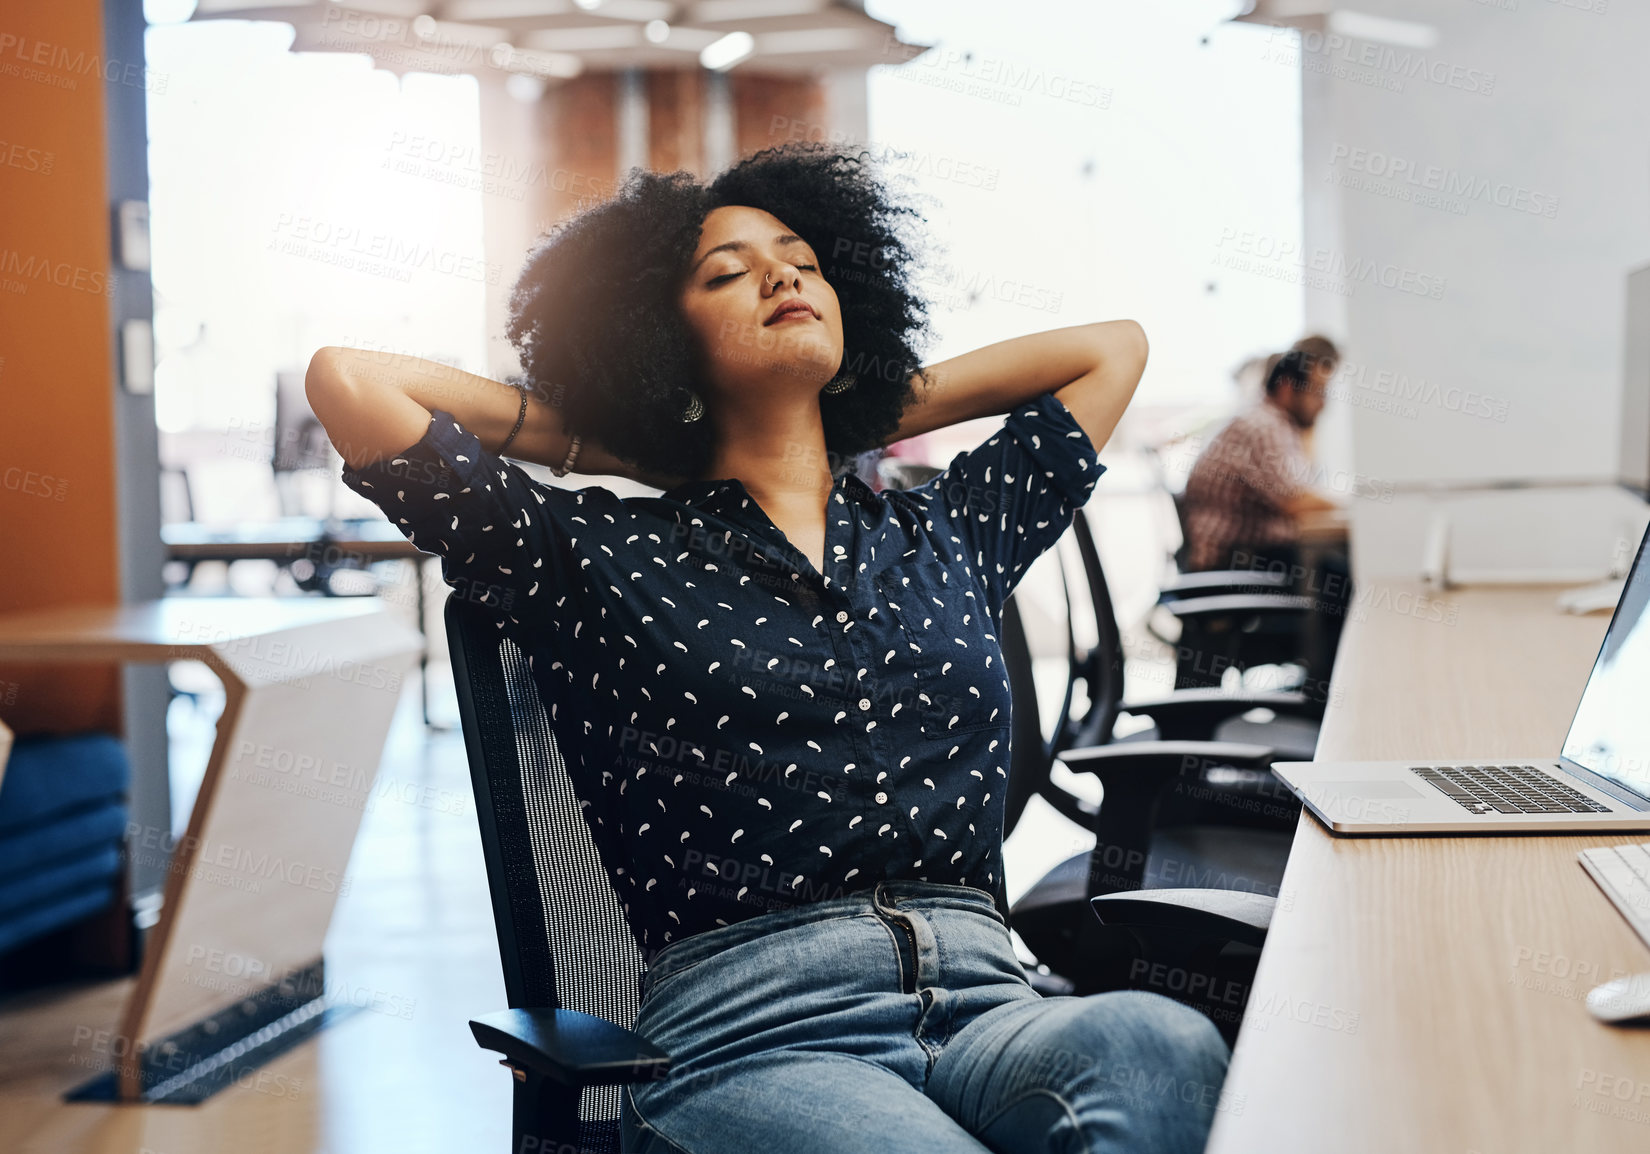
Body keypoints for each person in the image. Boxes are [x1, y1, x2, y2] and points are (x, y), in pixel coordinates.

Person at [307, 141, 1229, 1154]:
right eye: (725, 272)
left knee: (1159, 1040)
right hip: (750, 1039)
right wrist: (624, 439)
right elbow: (351, 383)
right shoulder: (592, 558)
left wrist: (854, 408)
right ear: (657, 345)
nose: (781, 275)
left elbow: (1112, 349)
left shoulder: (949, 530)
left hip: (985, 1004)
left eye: (798, 257)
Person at [1180, 344, 1337, 575]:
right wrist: (1350, 502)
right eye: (1317, 392)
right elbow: (1296, 502)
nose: (1323, 404)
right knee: (1336, 570)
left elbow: (1303, 484)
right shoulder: (1264, 426)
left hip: (1244, 557)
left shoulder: (1270, 421)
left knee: (1335, 567)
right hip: (1232, 564)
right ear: (1286, 388)